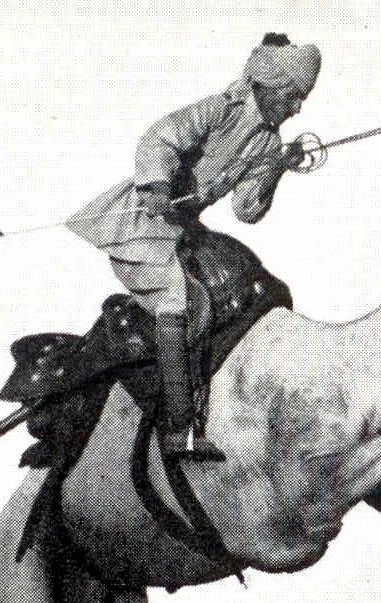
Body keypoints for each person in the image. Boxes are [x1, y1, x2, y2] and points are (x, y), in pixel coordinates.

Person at [66, 34, 321, 461]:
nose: (297, 108)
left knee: (249, 282)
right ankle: (179, 426)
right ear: (270, 86)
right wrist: (158, 186)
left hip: (183, 228)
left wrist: (277, 167)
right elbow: (159, 138)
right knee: (177, 301)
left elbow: (246, 209)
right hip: (141, 224)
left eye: (302, 99)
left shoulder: (268, 143)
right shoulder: (220, 110)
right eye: (294, 96)